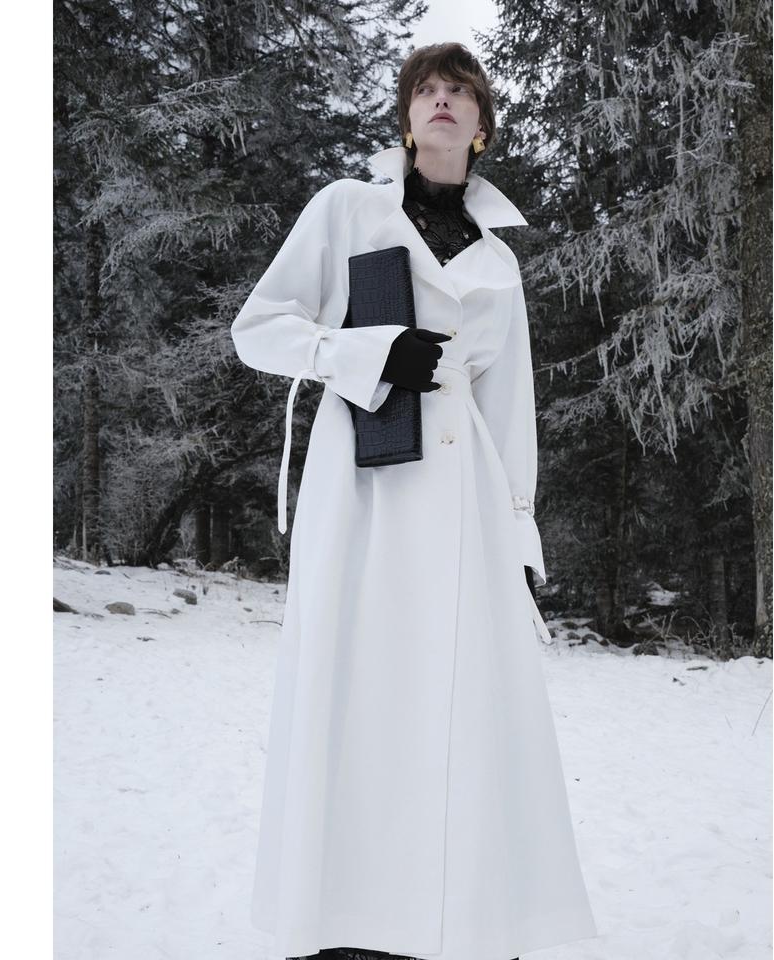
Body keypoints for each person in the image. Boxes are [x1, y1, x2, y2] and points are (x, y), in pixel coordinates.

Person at [230, 42, 597, 960]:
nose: (442, 102)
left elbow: (510, 407)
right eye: (426, 90)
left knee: (462, 697)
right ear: (406, 116)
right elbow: (258, 330)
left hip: (464, 493)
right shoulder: (347, 208)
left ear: (481, 127)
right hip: (362, 483)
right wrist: (361, 354)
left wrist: (519, 534)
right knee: (358, 683)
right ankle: (344, 922)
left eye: (459, 92)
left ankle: (461, 920)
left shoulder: (499, 263)